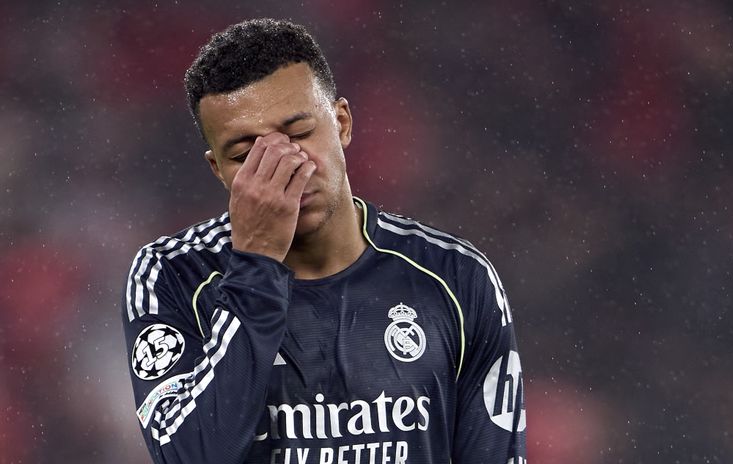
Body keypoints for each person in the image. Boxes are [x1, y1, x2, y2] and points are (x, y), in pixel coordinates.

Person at [121, 18, 526, 464]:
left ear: (343, 123)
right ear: (217, 169)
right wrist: (256, 260)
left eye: (298, 134)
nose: (285, 165)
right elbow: (192, 456)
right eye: (245, 155)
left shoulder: (454, 277)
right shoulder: (173, 274)